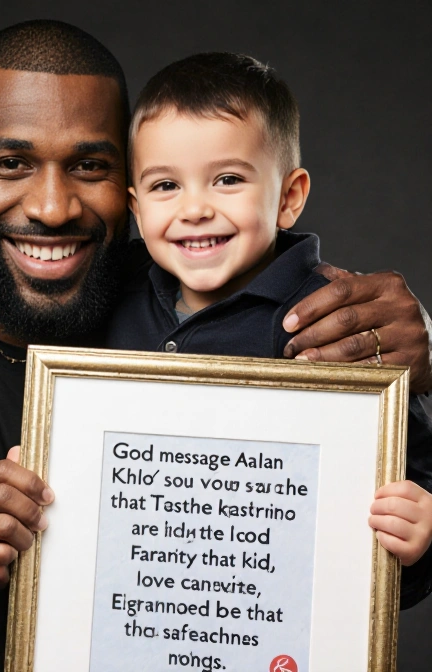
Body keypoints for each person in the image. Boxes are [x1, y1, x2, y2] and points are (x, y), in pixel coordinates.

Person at [0, 20, 432, 671]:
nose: (53, 207)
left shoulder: (240, 306)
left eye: (89, 166)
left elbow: (365, 557)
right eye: (11, 163)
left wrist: (414, 369)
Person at [108, 51, 432, 578]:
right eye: (166, 185)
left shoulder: (339, 321)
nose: (194, 209)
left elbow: (412, 475)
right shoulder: (113, 296)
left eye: (228, 179)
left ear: (288, 197)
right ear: (136, 207)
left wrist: (422, 532)